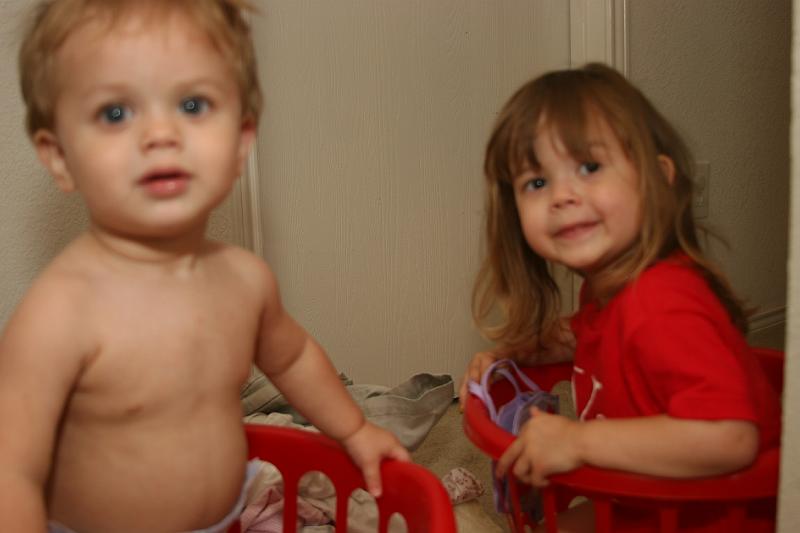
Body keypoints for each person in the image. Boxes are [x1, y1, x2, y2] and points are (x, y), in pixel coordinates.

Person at [0, 1, 410, 531]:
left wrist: (353, 429)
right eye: (115, 113)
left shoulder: (246, 280)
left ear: (240, 143)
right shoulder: (59, 313)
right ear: (59, 157)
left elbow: (293, 358)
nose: (161, 133)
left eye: (192, 105)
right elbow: (12, 470)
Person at [459, 63, 781, 531]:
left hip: (713, 515)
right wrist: (519, 351)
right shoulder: (613, 287)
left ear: (658, 178)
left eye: (589, 167)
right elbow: (592, 336)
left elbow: (730, 439)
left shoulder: (661, 303)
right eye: (537, 182)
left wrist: (578, 442)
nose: (562, 195)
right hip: (653, 498)